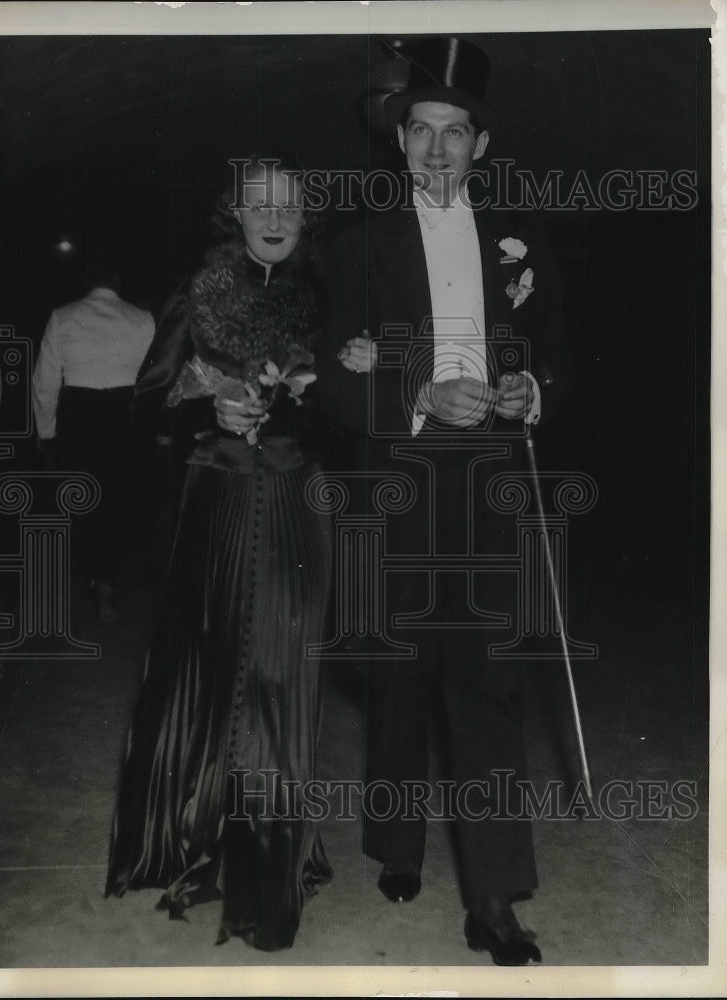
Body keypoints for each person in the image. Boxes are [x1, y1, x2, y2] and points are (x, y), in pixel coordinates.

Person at [316, 37, 570, 965]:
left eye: (454, 132)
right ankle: (395, 838)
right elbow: (332, 385)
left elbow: (560, 356)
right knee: (399, 679)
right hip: (396, 487)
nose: (435, 150)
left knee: (487, 686)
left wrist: (528, 390)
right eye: (419, 130)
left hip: (491, 486)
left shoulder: (522, 242)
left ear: (481, 147)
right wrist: (418, 393)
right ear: (400, 143)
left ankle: (495, 898)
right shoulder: (358, 244)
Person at [105, 155, 362, 952]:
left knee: (282, 674)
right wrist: (207, 396)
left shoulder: (329, 297)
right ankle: (191, 834)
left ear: (306, 216)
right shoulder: (197, 290)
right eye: (259, 204)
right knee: (211, 669)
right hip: (215, 496)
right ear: (236, 213)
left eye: (289, 203)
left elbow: (354, 416)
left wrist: (349, 375)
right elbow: (148, 394)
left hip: (295, 500)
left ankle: (269, 869)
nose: (274, 217)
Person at [31, 258, 155, 622]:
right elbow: (154, 381)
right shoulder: (142, 319)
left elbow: (45, 381)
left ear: (87, 278)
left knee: (86, 500)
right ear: (118, 277)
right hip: (123, 415)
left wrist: (46, 433)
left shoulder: (62, 316)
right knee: (118, 499)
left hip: (80, 416)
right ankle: (107, 582)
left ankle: (95, 577)